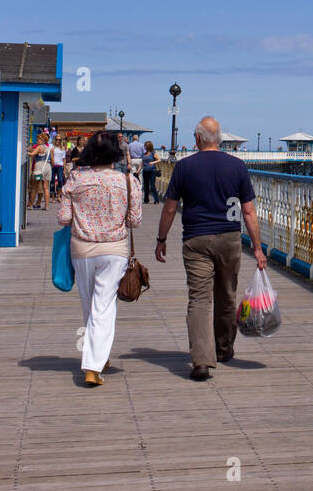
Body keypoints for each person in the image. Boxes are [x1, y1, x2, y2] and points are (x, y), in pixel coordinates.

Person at [155, 117, 266, 381]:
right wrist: (258, 249)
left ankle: (202, 360)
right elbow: (248, 211)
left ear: (197, 139)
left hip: (196, 240)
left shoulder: (184, 167)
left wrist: (161, 239)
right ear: (219, 140)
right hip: (229, 238)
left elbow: (170, 207)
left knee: (200, 299)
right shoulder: (237, 167)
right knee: (227, 294)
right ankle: (224, 348)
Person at [58, 131, 143, 386]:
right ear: (115, 154)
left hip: (82, 248)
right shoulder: (127, 181)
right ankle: (94, 365)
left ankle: (97, 357)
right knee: (103, 306)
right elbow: (134, 221)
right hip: (114, 249)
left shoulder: (75, 180)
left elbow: (63, 218)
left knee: (89, 304)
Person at [28, 135, 50, 208]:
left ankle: (31, 204)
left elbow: (32, 154)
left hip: (39, 168)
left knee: (35, 187)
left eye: (38, 139)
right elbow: (53, 160)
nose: (37, 141)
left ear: (42, 140)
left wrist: (26, 153)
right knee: (46, 188)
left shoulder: (39, 147)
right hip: (48, 167)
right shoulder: (49, 148)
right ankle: (46, 206)